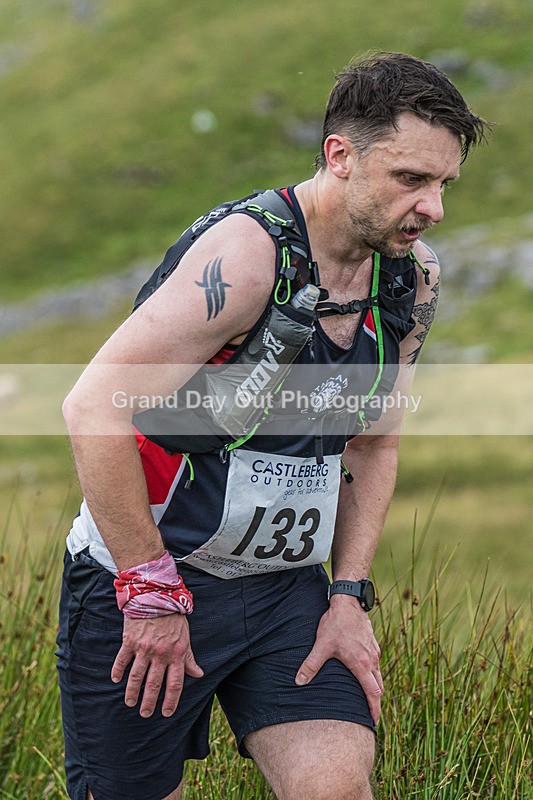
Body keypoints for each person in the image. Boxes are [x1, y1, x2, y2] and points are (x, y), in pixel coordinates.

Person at [57, 52, 487, 800]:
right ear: (340, 156)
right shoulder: (248, 258)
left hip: (286, 587)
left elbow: (374, 440)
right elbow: (91, 406)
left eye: (443, 184)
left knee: (336, 789)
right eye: (411, 181)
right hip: (152, 576)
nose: (432, 210)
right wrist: (149, 588)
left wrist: (348, 595)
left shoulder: (409, 278)